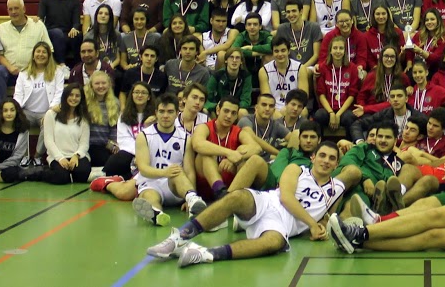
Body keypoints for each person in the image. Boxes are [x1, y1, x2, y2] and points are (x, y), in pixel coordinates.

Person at [147, 142, 345, 267]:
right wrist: (311, 223)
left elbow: (329, 218)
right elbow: (286, 197)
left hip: (281, 226)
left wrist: (320, 230)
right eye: (322, 155)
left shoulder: (337, 189)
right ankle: (179, 239)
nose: (326, 161)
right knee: (236, 197)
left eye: (332, 158)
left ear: (337, 164)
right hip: (267, 203)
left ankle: (204, 254)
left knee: (274, 243)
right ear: (313, 157)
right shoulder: (297, 169)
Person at [127, 93, 206, 225]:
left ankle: (192, 199)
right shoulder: (144, 136)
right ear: (156, 113)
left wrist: (189, 193)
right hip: (151, 184)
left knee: (178, 171)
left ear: (176, 113)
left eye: (170, 112)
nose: (165, 116)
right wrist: (164, 172)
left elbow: (190, 171)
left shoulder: (185, 138)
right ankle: (157, 214)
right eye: (162, 111)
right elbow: (143, 168)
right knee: (149, 197)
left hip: (175, 186)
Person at [0, 0, 52, 107]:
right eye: (10, 9)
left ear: (24, 9)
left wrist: (34, 68)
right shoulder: (1, 28)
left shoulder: (37, 25)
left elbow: (48, 49)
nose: (13, 12)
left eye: (16, 8)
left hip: (32, 72)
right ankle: (1, 111)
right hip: (10, 72)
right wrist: (10, 67)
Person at [14, 41, 67, 159]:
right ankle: (24, 157)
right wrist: (18, 110)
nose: (41, 54)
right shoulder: (23, 73)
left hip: (47, 111)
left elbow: (59, 93)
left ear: (49, 55)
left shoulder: (57, 72)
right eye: (38, 51)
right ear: (33, 55)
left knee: (49, 125)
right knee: (20, 122)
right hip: (27, 111)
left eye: (44, 52)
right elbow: (18, 94)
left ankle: (37, 156)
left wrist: (50, 112)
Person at [189, 98, 247, 200]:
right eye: (226, 111)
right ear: (218, 110)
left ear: (236, 116)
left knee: (245, 158)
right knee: (206, 154)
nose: (229, 116)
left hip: (230, 186)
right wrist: (229, 153)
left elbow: (255, 147)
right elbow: (197, 144)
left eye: (233, 113)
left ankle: (231, 196)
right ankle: (219, 190)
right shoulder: (204, 127)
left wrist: (235, 157)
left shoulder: (238, 131)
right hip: (204, 185)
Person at [42, 83, 92, 185]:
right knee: (61, 178)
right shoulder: (51, 114)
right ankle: (39, 172)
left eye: (77, 96)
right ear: (65, 96)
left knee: (82, 174)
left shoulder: (84, 118)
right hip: (58, 155)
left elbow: (84, 143)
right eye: (71, 95)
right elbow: (48, 141)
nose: (74, 98)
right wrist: (60, 158)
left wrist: (76, 156)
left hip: (77, 155)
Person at [312, 37, 360, 136]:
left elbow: (352, 95)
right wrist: (331, 112)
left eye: (341, 48)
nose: (338, 51)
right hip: (327, 108)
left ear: (345, 51)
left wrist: (338, 114)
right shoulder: (323, 67)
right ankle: (318, 145)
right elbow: (321, 94)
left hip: (344, 109)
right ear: (330, 50)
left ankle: (348, 146)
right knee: (319, 115)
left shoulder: (352, 68)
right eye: (335, 48)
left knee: (349, 117)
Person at [39, 0, 82, 64]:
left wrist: (74, 28)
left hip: (67, 33)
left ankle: (78, 66)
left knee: (77, 35)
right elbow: (41, 18)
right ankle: (61, 64)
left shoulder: (75, 1)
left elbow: (76, 21)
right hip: (51, 33)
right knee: (57, 33)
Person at [258, 36, 309, 113]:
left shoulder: (300, 68)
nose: (280, 54)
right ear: (272, 52)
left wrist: (288, 108)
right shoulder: (264, 71)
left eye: (283, 50)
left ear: (288, 51)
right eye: (276, 51)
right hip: (273, 109)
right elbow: (267, 99)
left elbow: (303, 97)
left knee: (304, 111)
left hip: (294, 106)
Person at [275, 0, 322, 72]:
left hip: (309, 67)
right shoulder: (282, 29)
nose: (291, 15)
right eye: (288, 12)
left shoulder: (313, 27)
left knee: (306, 73)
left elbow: (316, 55)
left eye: (294, 11)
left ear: (301, 11)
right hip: (289, 68)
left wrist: (301, 69)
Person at [206, 47, 252, 114]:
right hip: (218, 109)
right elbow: (207, 98)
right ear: (226, 60)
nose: (234, 60)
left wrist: (234, 106)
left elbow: (246, 101)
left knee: (243, 112)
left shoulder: (246, 76)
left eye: (237, 58)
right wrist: (216, 106)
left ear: (241, 61)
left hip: (236, 109)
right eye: (231, 57)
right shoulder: (217, 75)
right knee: (206, 110)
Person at [83, 4, 122, 70]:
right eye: (100, 13)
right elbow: (87, 57)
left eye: (106, 14)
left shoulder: (117, 34)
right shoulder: (89, 36)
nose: (103, 16)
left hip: (113, 68)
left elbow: (118, 58)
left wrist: (110, 67)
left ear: (110, 17)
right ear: (96, 16)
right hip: (95, 68)